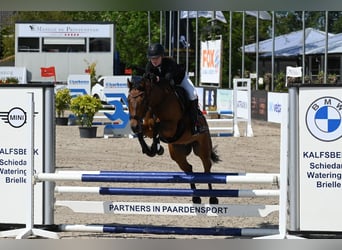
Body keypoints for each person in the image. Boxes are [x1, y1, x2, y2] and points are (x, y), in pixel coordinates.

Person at [145, 43, 203, 135]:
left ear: (162, 56)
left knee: (193, 94)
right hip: (165, 84)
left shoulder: (169, 63)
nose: (154, 61)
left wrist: (157, 78)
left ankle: (195, 123)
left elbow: (168, 80)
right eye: (152, 58)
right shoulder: (149, 66)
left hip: (179, 80)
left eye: (156, 58)